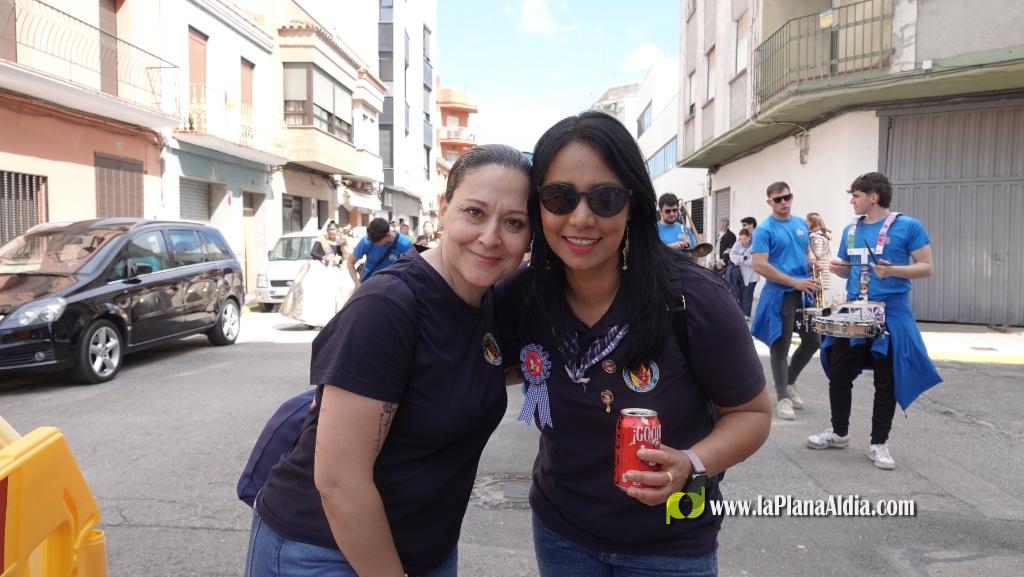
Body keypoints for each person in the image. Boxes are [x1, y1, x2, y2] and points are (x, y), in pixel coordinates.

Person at [499, 111, 771, 577]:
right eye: (559, 197)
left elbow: (751, 414)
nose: (581, 218)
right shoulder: (522, 297)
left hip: (672, 543)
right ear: (537, 205)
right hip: (562, 534)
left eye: (605, 198)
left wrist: (689, 462)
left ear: (632, 205)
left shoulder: (694, 298)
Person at [245, 144, 533, 577]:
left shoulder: (486, 302)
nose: (491, 237)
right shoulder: (387, 305)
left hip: (426, 550)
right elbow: (340, 483)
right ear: (444, 208)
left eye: (513, 223)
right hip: (323, 553)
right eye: (475, 212)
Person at [805, 172, 942, 470]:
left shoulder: (908, 226)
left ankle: (879, 443)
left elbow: (927, 267)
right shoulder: (850, 229)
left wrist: (893, 270)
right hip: (855, 311)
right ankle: (839, 432)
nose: (852, 201)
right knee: (839, 373)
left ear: (874, 196)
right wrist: (835, 267)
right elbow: (845, 270)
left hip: (891, 312)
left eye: (855, 195)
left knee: (886, 380)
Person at [750, 182, 820, 421]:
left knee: (813, 341)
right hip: (780, 293)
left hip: (803, 290)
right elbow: (759, 264)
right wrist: (793, 282)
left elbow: (803, 253)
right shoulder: (764, 229)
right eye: (778, 199)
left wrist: (812, 263)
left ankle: (789, 382)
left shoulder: (801, 223)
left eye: (787, 197)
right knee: (780, 345)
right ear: (769, 201)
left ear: (792, 197)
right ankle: (782, 397)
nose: (783, 202)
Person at [279, 220, 354, 328]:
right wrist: (323, 257)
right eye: (330, 234)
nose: (332, 236)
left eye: (334, 234)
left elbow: (339, 255)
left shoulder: (337, 243)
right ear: (327, 232)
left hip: (331, 270)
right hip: (318, 268)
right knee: (313, 294)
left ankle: (325, 319)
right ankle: (310, 320)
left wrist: (337, 260)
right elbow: (313, 253)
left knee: (329, 296)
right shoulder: (321, 240)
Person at [347, 217, 414, 285]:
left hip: (391, 285)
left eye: (376, 242)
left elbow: (410, 270)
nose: (373, 243)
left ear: (388, 236)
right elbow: (350, 262)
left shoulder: (405, 245)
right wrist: (357, 284)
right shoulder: (367, 240)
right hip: (367, 281)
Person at [729, 228, 759, 319]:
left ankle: (746, 317)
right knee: (740, 295)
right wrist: (743, 258)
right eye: (741, 239)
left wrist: (740, 259)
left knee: (747, 296)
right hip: (740, 276)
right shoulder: (737, 244)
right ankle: (740, 316)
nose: (743, 241)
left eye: (745, 239)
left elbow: (753, 260)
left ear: (749, 237)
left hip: (752, 276)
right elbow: (732, 256)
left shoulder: (755, 245)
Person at [806, 212, 833, 306]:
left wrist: (808, 250)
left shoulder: (815, 237)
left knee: (818, 298)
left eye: (807, 221)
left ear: (812, 223)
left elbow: (817, 253)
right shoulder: (822, 235)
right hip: (821, 269)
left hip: (818, 270)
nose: (805, 223)